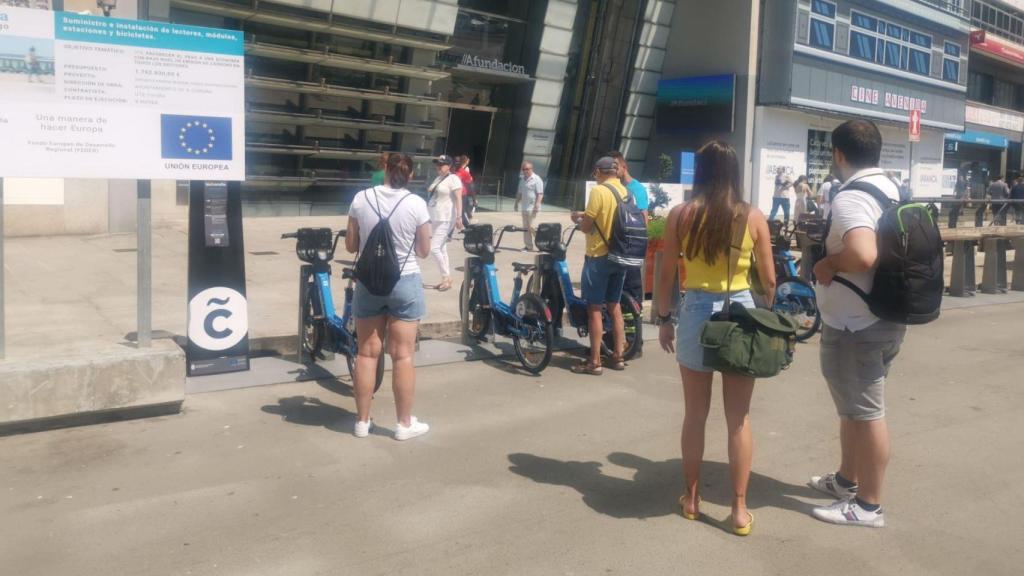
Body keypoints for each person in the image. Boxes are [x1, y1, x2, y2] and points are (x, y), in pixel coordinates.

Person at [655, 141, 776, 536]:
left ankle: (691, 499)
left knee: (695, 414)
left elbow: (666, 273)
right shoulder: (752, 216)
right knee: (738, 419)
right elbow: (770, 280)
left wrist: (663, 318)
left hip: (694, 313)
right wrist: (764, 308)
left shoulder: (681, 215)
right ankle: (739, 510)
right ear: (734, 172)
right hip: (739, 312)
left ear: (700, 172)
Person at [810, 119, 907, 528]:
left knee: (867, 413)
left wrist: (828, 264)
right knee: (854, 409)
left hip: (858, 324)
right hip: (880, 315)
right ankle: (847, 480)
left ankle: (868, 506)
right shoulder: (890, 188)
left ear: (838, 154)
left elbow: (863, 254)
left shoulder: (851, 197)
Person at [345, 153, 433, 441]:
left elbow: (350, 245)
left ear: (384, 169)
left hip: (368, 282)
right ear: (409, 175)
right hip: (404, 281)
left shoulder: (361, 199)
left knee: (366, 354)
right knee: (403, 356)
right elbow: (423, 251)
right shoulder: (416, 204)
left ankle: (361, 422)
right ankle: (403, 425)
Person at [569, 157, 629, 375]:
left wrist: (578, 219)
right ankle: (618, 356)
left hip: (598, 255)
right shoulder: (624, 191)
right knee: (615, 305)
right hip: (620, 255)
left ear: (599, 172)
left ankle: (594, 362)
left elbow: (587, 226)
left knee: (594, 308)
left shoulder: (598, 191)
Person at [608, 150, 650, 309]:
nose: (613, 170)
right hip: (618, 247)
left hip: (631, 247)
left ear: (624, 166)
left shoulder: (636, 188)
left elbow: (643, 218)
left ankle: (633, 330)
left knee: (632, 288)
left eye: (616, 166)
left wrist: (638, 247)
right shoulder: (617, 187)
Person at [425, 155, 463, 292]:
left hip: (446, 218)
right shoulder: (438, 178)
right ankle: (446, 279)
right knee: (442, 248)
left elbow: (458, 199)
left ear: (449, 166)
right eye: (437, 164)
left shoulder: (454, 179)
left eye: (441, 164)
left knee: (434, 248)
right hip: (435, 217)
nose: (438, 167)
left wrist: (459, 217)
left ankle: (446, 277)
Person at [515, 161, 544, 251]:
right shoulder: (522, 179)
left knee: (532, 227)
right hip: (524, 207)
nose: (525, 171)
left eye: (527, 169)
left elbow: (540, 193)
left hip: (533, 208)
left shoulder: (537, 179)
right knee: (526, 228)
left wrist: (537, 204)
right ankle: (528, 246)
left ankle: (543, 244)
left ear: (531, 169)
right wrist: (516, 203)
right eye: (523, 169)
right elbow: (520, 193)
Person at [454, 155, 476, 228]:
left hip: (462, 195)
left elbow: (470, 185)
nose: (455, 164)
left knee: (462, 212)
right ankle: (449, 234)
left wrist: (474, 199)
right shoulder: (453, 172)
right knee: (457, 212)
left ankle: (469, 228)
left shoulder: (464, 172)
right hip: (454, 195)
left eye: (457, 163)